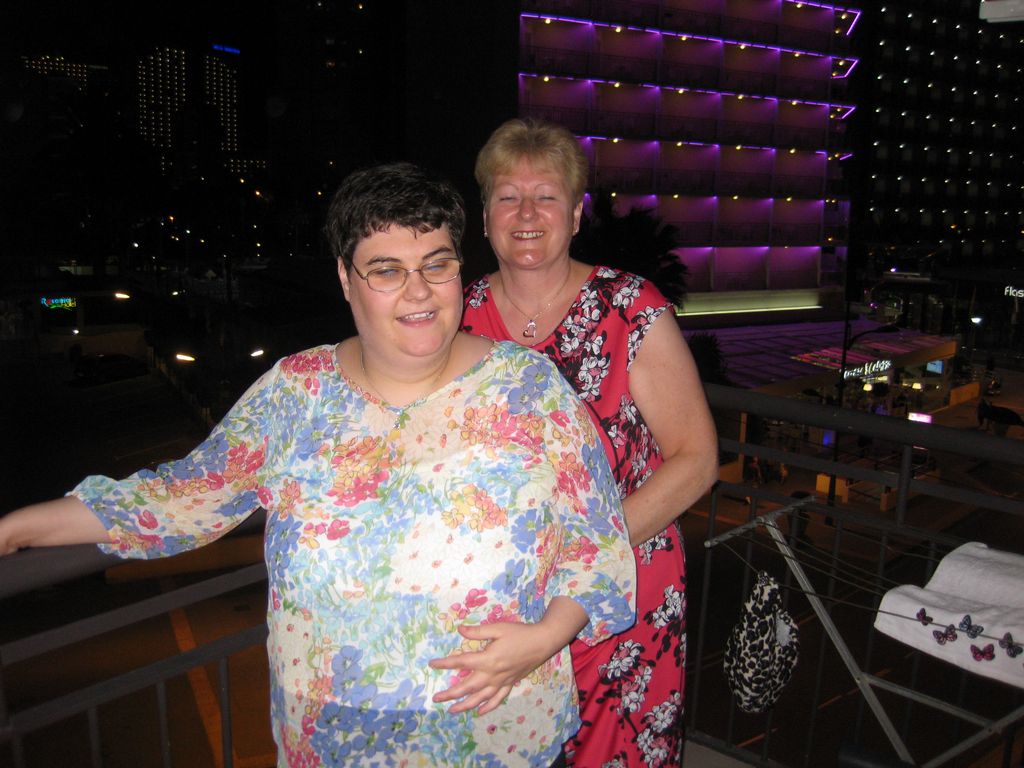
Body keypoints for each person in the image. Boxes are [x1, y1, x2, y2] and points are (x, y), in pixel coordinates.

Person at [0, 162, 638, 768]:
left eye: (436, 264)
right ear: (345, 278)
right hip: (334, 737)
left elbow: (598, 541)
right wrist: (18, 529)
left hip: (497, 731)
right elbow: (181, 499)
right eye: (386, 270)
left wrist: (545, 637)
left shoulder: (528, 389)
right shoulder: (295, 394)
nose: (418, 290)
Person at [462, 118, 719, 766]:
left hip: (623, 587)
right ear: (485, 216)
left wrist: (579, 553)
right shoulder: (458, 319)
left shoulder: (630, 308)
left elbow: (696, 461)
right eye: (507, 196)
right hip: (508, 597)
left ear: (576, 214)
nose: (526, 213)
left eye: (546, 196)